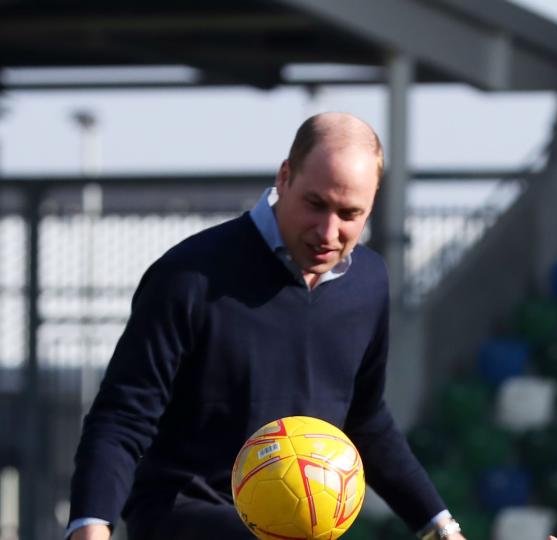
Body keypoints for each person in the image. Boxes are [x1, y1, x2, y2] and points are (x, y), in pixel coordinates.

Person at [67, 113, 467, 540]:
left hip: (303, 528)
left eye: (350, 214)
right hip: (186, 516)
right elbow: (124, 415)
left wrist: (440, 528)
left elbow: (363, 418)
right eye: (316, 204)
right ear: (284, 177)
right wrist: (90, 526)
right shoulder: (189, 276)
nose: (328, 231)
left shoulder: (368, 283)